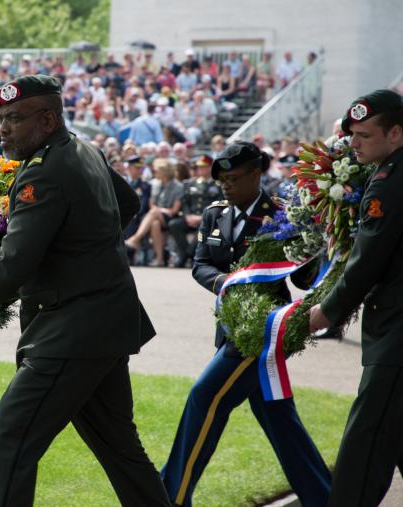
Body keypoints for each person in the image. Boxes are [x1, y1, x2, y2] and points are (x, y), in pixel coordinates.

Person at [0, 75, 171, 506]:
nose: (3, 129)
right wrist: (83, 250)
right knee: (120, 448)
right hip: (103, 323)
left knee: (12, 441)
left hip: (70, 331)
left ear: (47, 119)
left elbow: (16, 259)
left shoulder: (44, 173)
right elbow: (127, 205)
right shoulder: (83, 149)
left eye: (13, 118)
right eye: (0, 119)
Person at [161, 141, 331, 507]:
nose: (225, 186)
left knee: (203, 398)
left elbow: (303, 282)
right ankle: (325, 496)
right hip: (230, 330)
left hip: (263, 335)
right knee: (277, 418)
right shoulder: (215, 214)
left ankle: (169, 496)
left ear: (257, 174)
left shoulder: (284, 217)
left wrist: (310, 248)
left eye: (234, 179)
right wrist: (222, 282)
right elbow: (201, 265)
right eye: (221, 180)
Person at [308, 89, 403, 507]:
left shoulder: (389, 182)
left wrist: (325, 312)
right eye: (352, 135)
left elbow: (369, 260)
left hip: (398, 333)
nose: (355, 143)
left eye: (364, 135)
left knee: (365, 443)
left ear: (396, 133)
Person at [125, 159, 184, 267]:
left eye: (156, 171)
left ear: (164, 172)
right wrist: (158, 210)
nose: (154, 173)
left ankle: (135, 239)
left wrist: (159, 210)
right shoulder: (155, 184)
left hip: (171, 217)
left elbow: (175, 209)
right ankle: (159, 258)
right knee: (154, 224)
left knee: (154, 213)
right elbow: (151, 203)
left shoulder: (178, 186)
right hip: (157, 216)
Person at [167, 155, 222, 268]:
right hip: (191, 218)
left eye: (204, 167)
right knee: (174, 224)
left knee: (205, 230)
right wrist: (187, 216)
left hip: (206, 219)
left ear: (211, 168)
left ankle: (187, 255)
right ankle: (187, 254)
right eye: (199, 167)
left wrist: (202, 217)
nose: (201, 169)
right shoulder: (190, 183)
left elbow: (219, 203)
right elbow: (185, 202)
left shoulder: (217, 185)